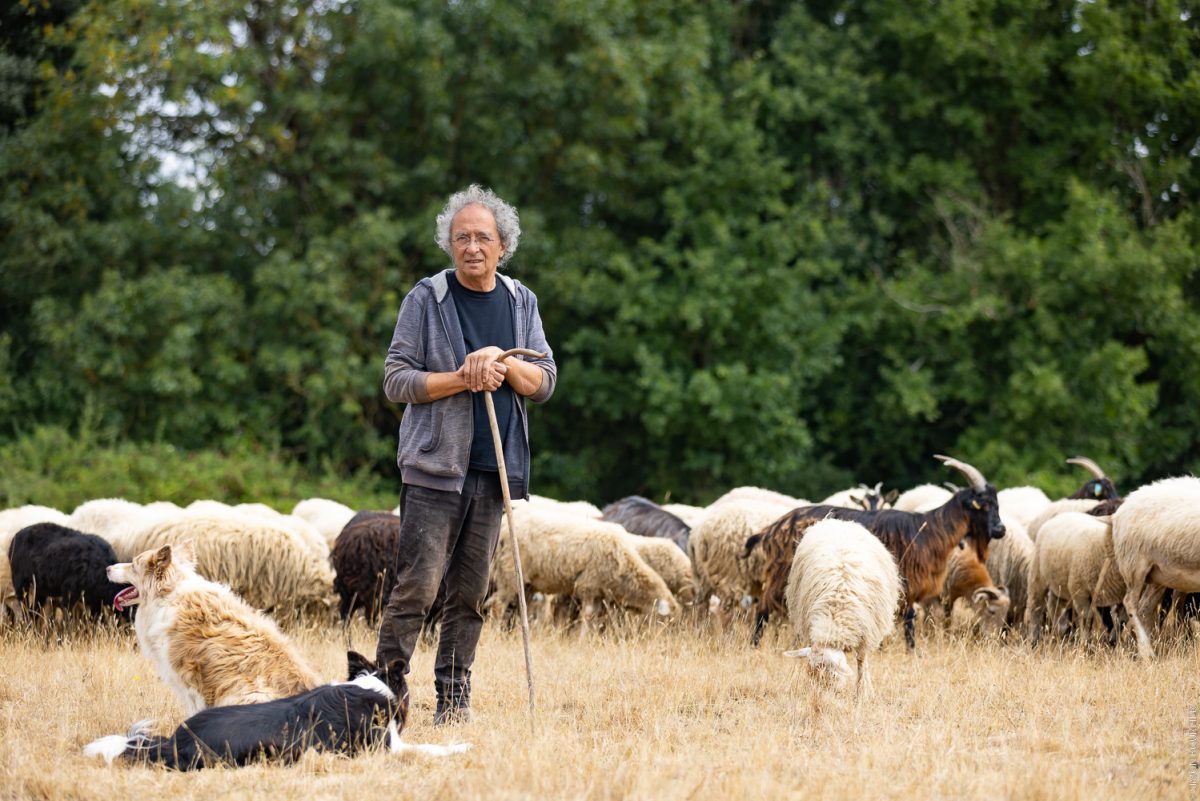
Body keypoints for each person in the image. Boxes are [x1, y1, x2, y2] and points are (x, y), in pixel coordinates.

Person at [377, 184, 556, 725]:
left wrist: (501, 364)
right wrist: (462, 377)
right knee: (416, 587)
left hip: (493, 469)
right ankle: (382, 697)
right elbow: (395, 380)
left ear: (504, 245)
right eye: (461, 238)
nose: (471, 246)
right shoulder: (426, 300)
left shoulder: (521, 301)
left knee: (469, 595)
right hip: (434, 467)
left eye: (482, 237)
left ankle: (453, 706)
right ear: (449, 246)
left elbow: (543, 381)